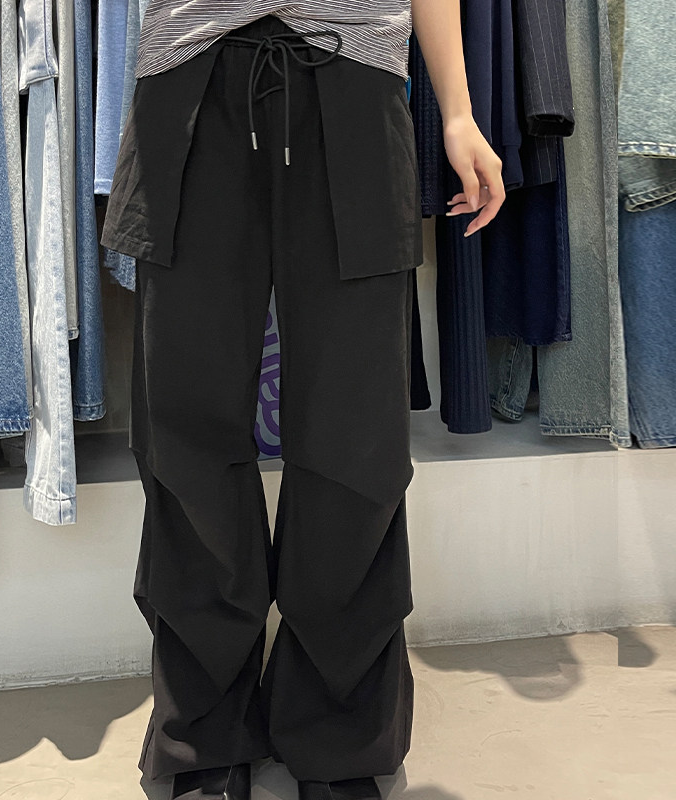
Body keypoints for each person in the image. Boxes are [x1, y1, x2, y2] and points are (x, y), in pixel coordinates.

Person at [102, 3, 506, 800]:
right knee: (185, 423)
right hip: (188, 77)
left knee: (356, 432)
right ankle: (203, 723)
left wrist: (458, 111)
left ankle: (341, 728)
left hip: (354, 74)